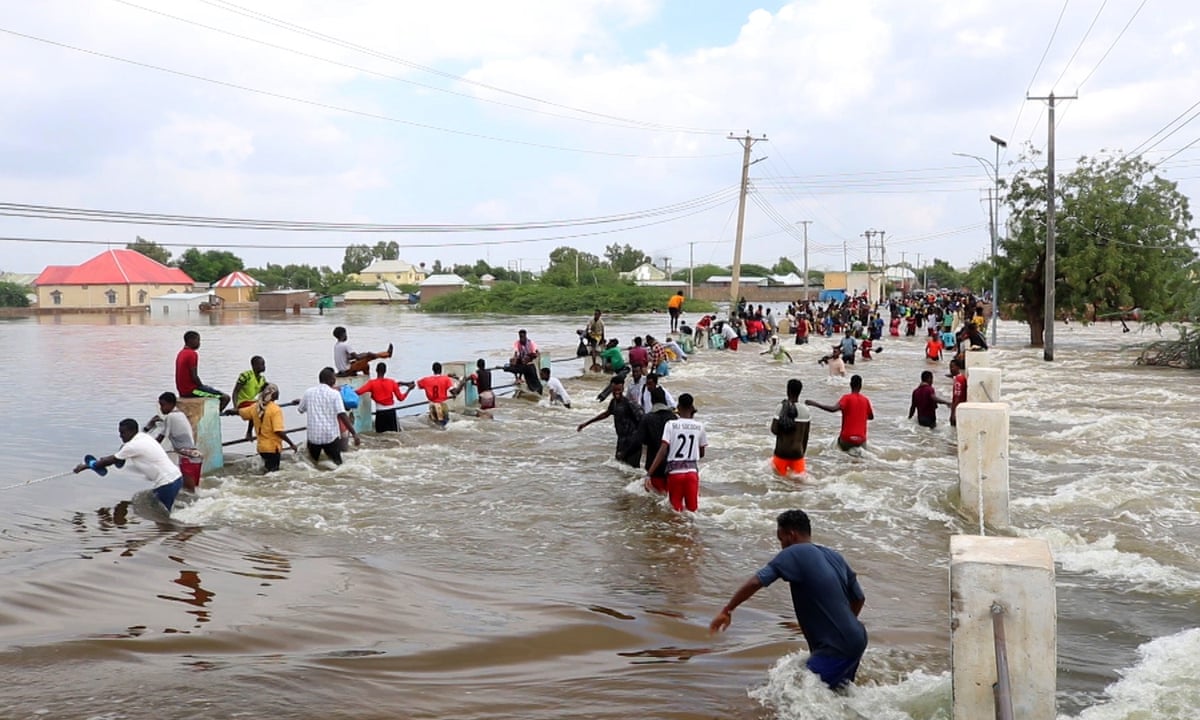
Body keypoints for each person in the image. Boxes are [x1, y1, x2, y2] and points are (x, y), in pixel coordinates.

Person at [710, 509, 867, 690]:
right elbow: (859, 598)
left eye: (781, 539)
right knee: (837, 696)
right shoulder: (834, 556)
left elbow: (756, 582)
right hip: (857, 638)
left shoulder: (793, 553)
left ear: (791, 535)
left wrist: (727, 610)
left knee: (794, 694)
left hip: (835, 647)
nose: (781, 546)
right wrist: (843, 626)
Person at [74, 418, 186, 513]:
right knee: (166, 512)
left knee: (163, 518)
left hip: (166, 483)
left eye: (123, 433)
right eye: (119, 432)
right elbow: (116, 457)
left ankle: (175, 534)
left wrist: (89, 465)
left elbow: (110, 460)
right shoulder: (144, 437)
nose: (120, 436)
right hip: (177, 477)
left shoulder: (132, 446)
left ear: (132, 431)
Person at [646, 393, 707, 512]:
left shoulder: (671, 425)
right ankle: (691, 530)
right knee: (692, 511)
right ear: (692, 407)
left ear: (678, 407)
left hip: (675, 474)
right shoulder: (700, 426)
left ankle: (676, 531)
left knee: (676, 511)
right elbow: (702, 453)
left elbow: (662, 451)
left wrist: (649, 473)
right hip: (692, 474)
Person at [577, 375, 644, 468]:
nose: (617, 393)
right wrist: (586, 423)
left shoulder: (629, 403)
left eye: (619, 390)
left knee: (632, 470)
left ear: (623, 388)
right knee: (621, 469)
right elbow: (606, 414)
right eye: (614, 390)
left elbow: (642, 421)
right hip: (621, 441)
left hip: (633, 442)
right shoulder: (614, 402)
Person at [298, 367, 361, 465]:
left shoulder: (308, 393)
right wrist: (354, 434)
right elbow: (342, 415)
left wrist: (302, 401)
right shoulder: (335, 394)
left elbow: (301, 409)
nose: (335, 380)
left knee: (312, 465)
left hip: (314, 437)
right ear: (330, 380)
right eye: (334, 377)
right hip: (330, 437)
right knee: (338, 465)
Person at [144, 391, 204, 492]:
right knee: (194, 491)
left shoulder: (170, 417)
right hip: (195, 457)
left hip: (187, 458)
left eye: (163, 405)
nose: (161, 408)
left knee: (189, 492)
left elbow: (161, 438)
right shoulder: (180, 414)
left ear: (171, 404)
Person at [238, 383, 298, 472]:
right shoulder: (275, 409)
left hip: (261, 448)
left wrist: (233, 411)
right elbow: (278, 431)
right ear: (273, 395)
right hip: (272, 448)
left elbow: (244, 413)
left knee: (267, 471)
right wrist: (291, 444)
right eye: (277, 392)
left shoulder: (256, 407)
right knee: (274, 473)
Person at [806, 374, 874, 452]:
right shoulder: (865, 400)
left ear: (850, 384)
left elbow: (833, 409)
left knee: (837, 450)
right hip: (861, 439)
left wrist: (815, 404)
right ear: (861, 386)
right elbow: (871, 417)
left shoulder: (846, 398)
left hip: (847, 439)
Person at [175, 330, 231, 412]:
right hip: (191, 391)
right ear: (191, 340)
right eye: (198, 340)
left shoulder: (181, 353)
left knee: (209, 389)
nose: (199, 343)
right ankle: (213, 416)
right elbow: (194, 376)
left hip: (182, 390)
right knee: (225, 398)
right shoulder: (192, 354)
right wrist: (202, 386)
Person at [637, 386, 676, 495]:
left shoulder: (647, 418)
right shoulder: (673, 418)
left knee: (655, 500)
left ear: (652, 400)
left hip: (654, 467)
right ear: (664, 399)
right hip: (672, 467)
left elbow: (640, 440)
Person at [356, 362, 415, 432]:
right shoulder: (391, 382)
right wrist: (409, 389)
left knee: (380, 437)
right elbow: (401, 398)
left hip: (380, 414)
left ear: (376, 370)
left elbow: (358, 392)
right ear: (385, 371)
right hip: (391, 413)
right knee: (395, 435)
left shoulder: (371, 383)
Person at [771, 379, 811, 477]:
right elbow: (806, 436)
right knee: (799, 486)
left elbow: (774, 430)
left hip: (781, 453)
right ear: (800, 392)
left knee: (778, 482)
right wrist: (802, 455)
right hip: (797, 454)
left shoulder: (780, 408)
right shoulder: (805, 411)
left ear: (787, 391)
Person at [231, 355, 268, 440]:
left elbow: (263, 393)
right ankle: (250, 432)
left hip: (252, 403)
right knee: (257, 407)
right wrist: (235, 407)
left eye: (264, 364)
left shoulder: (262, 379)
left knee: (265, 406)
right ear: (254, 365)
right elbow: (235, 391)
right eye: (261, 364)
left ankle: (262, 432)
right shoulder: (246, 376)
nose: (263, 367)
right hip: (243, 402)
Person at [416, 362, 458, 427]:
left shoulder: (426, 380)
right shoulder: (446, 379)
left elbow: (418, 385)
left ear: (432, 370)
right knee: (445, 425)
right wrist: (456, 384)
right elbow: (454, 392)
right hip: (442, 404)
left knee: (435, 425)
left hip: (432, 405)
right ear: (441, 370)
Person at [505, 329, 543, 394]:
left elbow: (537, 353)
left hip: (528, 360)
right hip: (523, 359)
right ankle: (518, 378)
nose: (521, 339)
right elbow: (516, 353)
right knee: (515, 363)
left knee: (518, 368)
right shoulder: (517, 343)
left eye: (522, 337)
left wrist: (506, 368)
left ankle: (519, 378)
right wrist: (514, 360)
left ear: (525, 336)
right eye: (520, 337)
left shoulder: (531, 343)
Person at [949, 358, 968, 427]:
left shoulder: (958, 380)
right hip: (962, 408)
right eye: (950, 367)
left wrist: (953, 414)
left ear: (958, 367)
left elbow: (957, 397)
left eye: (952, 367)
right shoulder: (961, 377)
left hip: (958, 409)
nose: (951, 369)